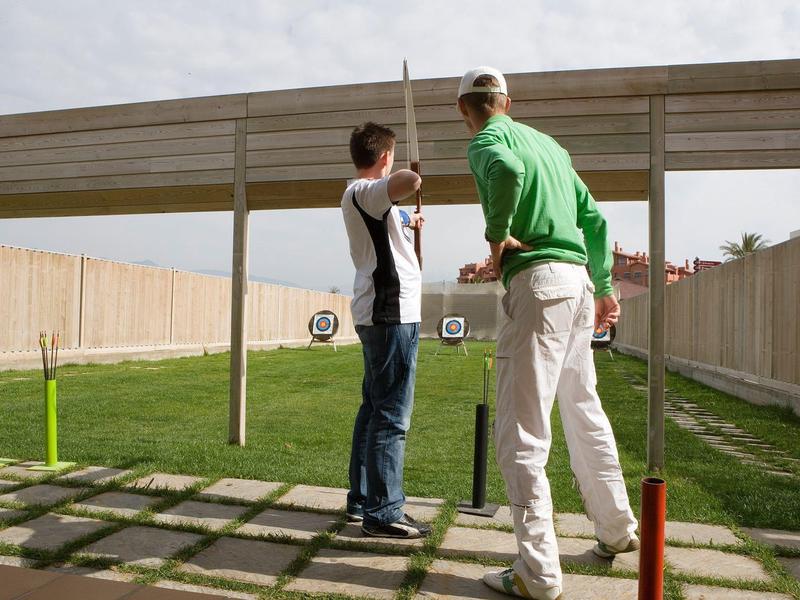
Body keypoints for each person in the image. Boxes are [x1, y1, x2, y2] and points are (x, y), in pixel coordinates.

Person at [457, 67, 639, 600]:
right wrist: (605, 285)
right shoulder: (552, 147)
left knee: (522, 434)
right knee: (584, 412)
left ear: (463, 108)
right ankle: (619, 530)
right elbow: (596, 220)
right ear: (506, 99)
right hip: (579, 286)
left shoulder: (487, 138)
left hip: (537, 285)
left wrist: (496, 235)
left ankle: (537, 574)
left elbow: (507, 171)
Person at [341, 121, 430, 539]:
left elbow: (388, 223)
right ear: (384, 157)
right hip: (391, 315)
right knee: (392, 415)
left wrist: (408, 226)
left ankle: (362, 502)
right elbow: (407, 182)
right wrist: (410, 173)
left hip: (382, 313)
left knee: (374, 409)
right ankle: (384, 512)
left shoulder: (372, 201)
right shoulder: (364, 191)